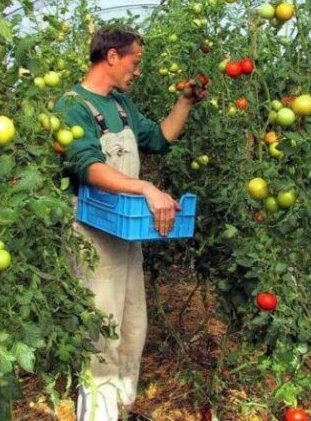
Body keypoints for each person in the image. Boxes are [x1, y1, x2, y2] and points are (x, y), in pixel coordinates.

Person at [55, 25, 208, 421]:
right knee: (100, 330)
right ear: (112, 57)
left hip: (124, 234)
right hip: (92, 236)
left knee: (132, 326)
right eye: (134, 62)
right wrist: (144, 188)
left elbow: (159, 137)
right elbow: (88, 167)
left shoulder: (121, 105)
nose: (137, 71)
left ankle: (122, 408)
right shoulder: (72, 106)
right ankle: (97, 414)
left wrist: (184, 102)